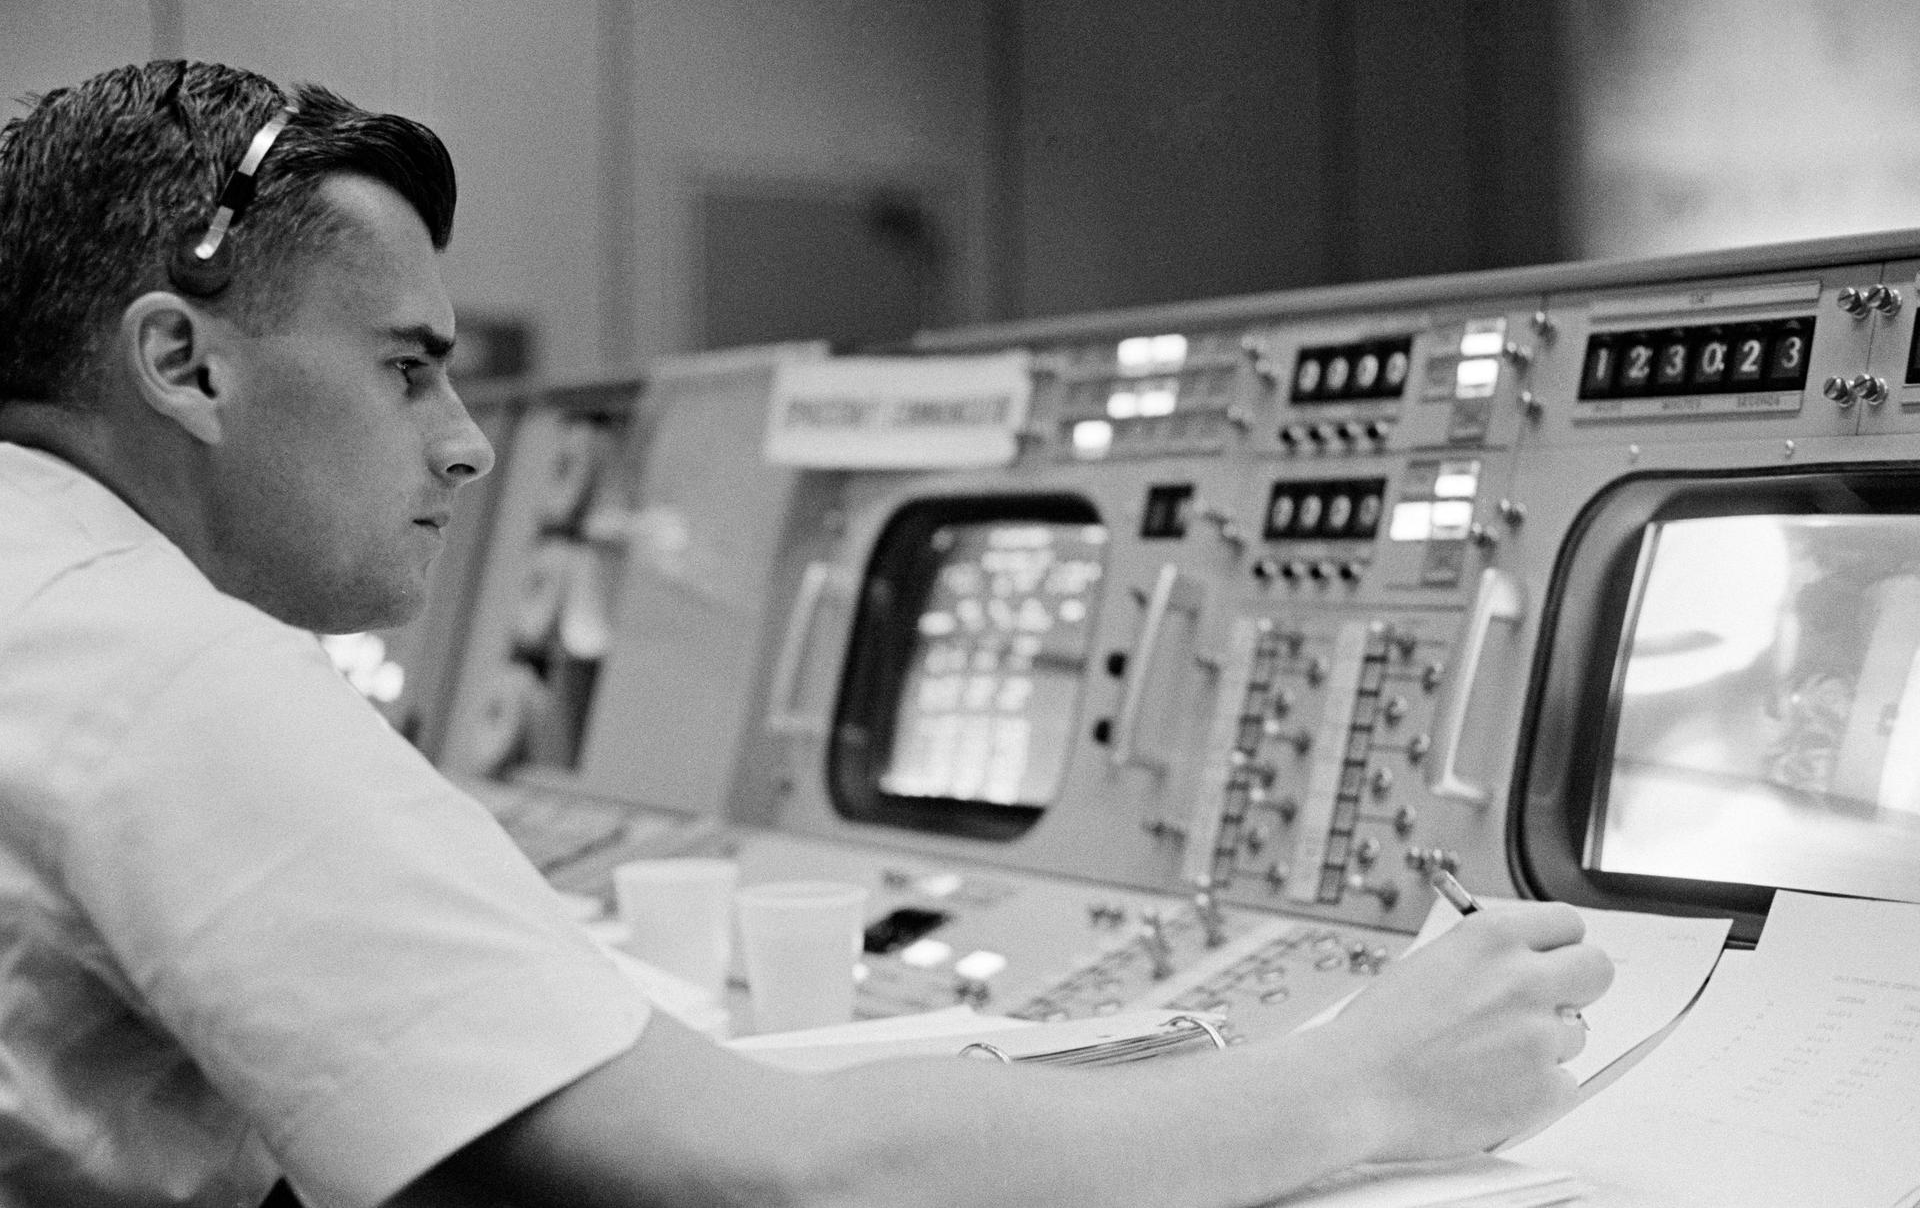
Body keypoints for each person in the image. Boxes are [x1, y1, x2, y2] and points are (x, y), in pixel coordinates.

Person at [0, 60, 1613, 1208]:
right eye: (408, 369)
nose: (470, 443)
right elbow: (777, 1182)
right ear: (183, 362)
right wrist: (1366, 1080)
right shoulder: (165, 677)